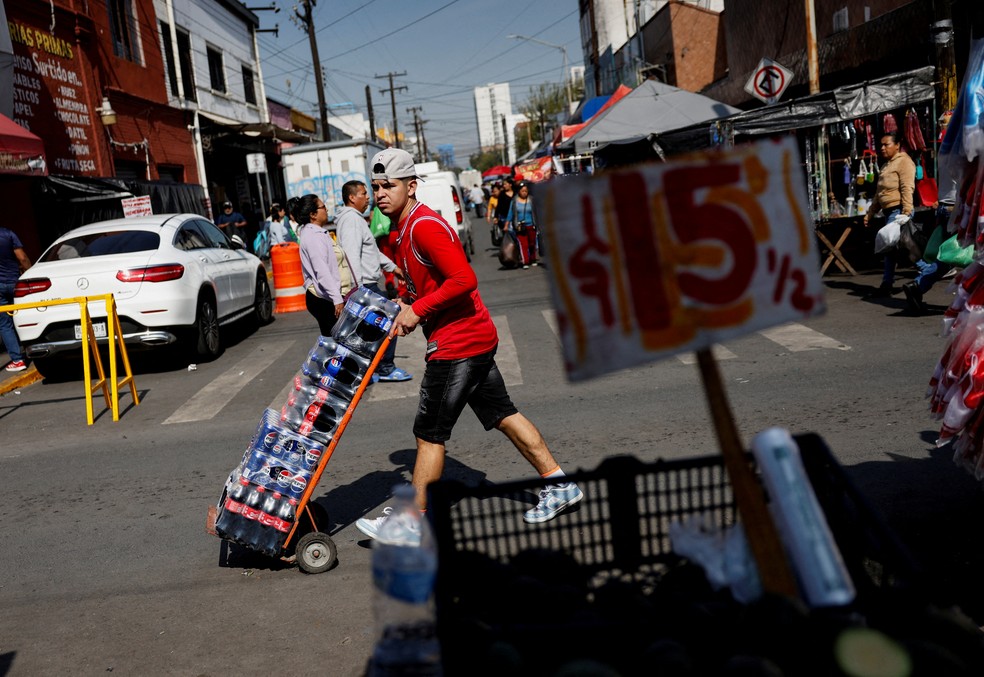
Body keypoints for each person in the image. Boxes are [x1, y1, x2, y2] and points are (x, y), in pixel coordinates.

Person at [356, 148, 582, 545]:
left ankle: (413, 519)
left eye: (388, 185)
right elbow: (426, 284)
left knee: (429, 433)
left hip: (459, 342)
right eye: (375, 187)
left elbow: (463, 279)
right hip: (468, 337)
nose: (380, 194)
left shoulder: (424, 225)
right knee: (502, 414)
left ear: (411, 186)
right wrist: (407, 306)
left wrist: (418, 309)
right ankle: (559, 484)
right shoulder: (401, 231)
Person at [335, 180, 412, 382]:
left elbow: (371, 252)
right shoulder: (351, 220)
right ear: (352, 198)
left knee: (369, 329)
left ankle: (368, 370)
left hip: (367, 283)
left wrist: (393, 268)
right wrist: (358, 289)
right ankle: (384, 368)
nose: (369, 197)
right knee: (391, 319)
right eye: (363, 193)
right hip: (364, 285)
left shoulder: (357, 219)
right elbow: (351, 255)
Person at [863, 132, 916, 297]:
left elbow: (907, 187)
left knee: (899, 248)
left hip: (899, 211)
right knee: (891, 249)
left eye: (886, 144)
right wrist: (870, 213)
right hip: (888, 212)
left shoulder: (904, 162)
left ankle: (928, 271)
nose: (882, 148)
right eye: (881, 145)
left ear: (897, 145)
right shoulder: (886, 165)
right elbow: (879, 194)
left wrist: (906, 212)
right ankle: (887, 284)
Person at [287, 194, 344, 336]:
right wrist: (337, 298)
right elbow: (322, 270)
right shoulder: (313, 236)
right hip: (322, 298)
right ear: (313, 214)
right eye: (323, 207)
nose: (327, 210)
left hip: (326, 296)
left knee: (335, 343)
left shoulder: (317, 233)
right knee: (336, 344)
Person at [0, 227, 31, 372]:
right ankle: (31, 348)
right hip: (14, 282)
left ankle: (18, 360)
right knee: (22, 315)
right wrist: (29, 274)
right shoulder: (8, 234)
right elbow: (22, 257)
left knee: (5, 324)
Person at [505, 180, 539, 268]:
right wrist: (506, 224)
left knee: (532, 243)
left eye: (526, 191)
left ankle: (533, 259)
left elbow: (537, 212)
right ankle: (525, 261)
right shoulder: (514, 201)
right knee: (523, 244)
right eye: (523, 191)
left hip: (531, 225)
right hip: (520, 226)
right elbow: (510, 213)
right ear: (519, 191)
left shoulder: (532, 200)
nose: (524, 193)